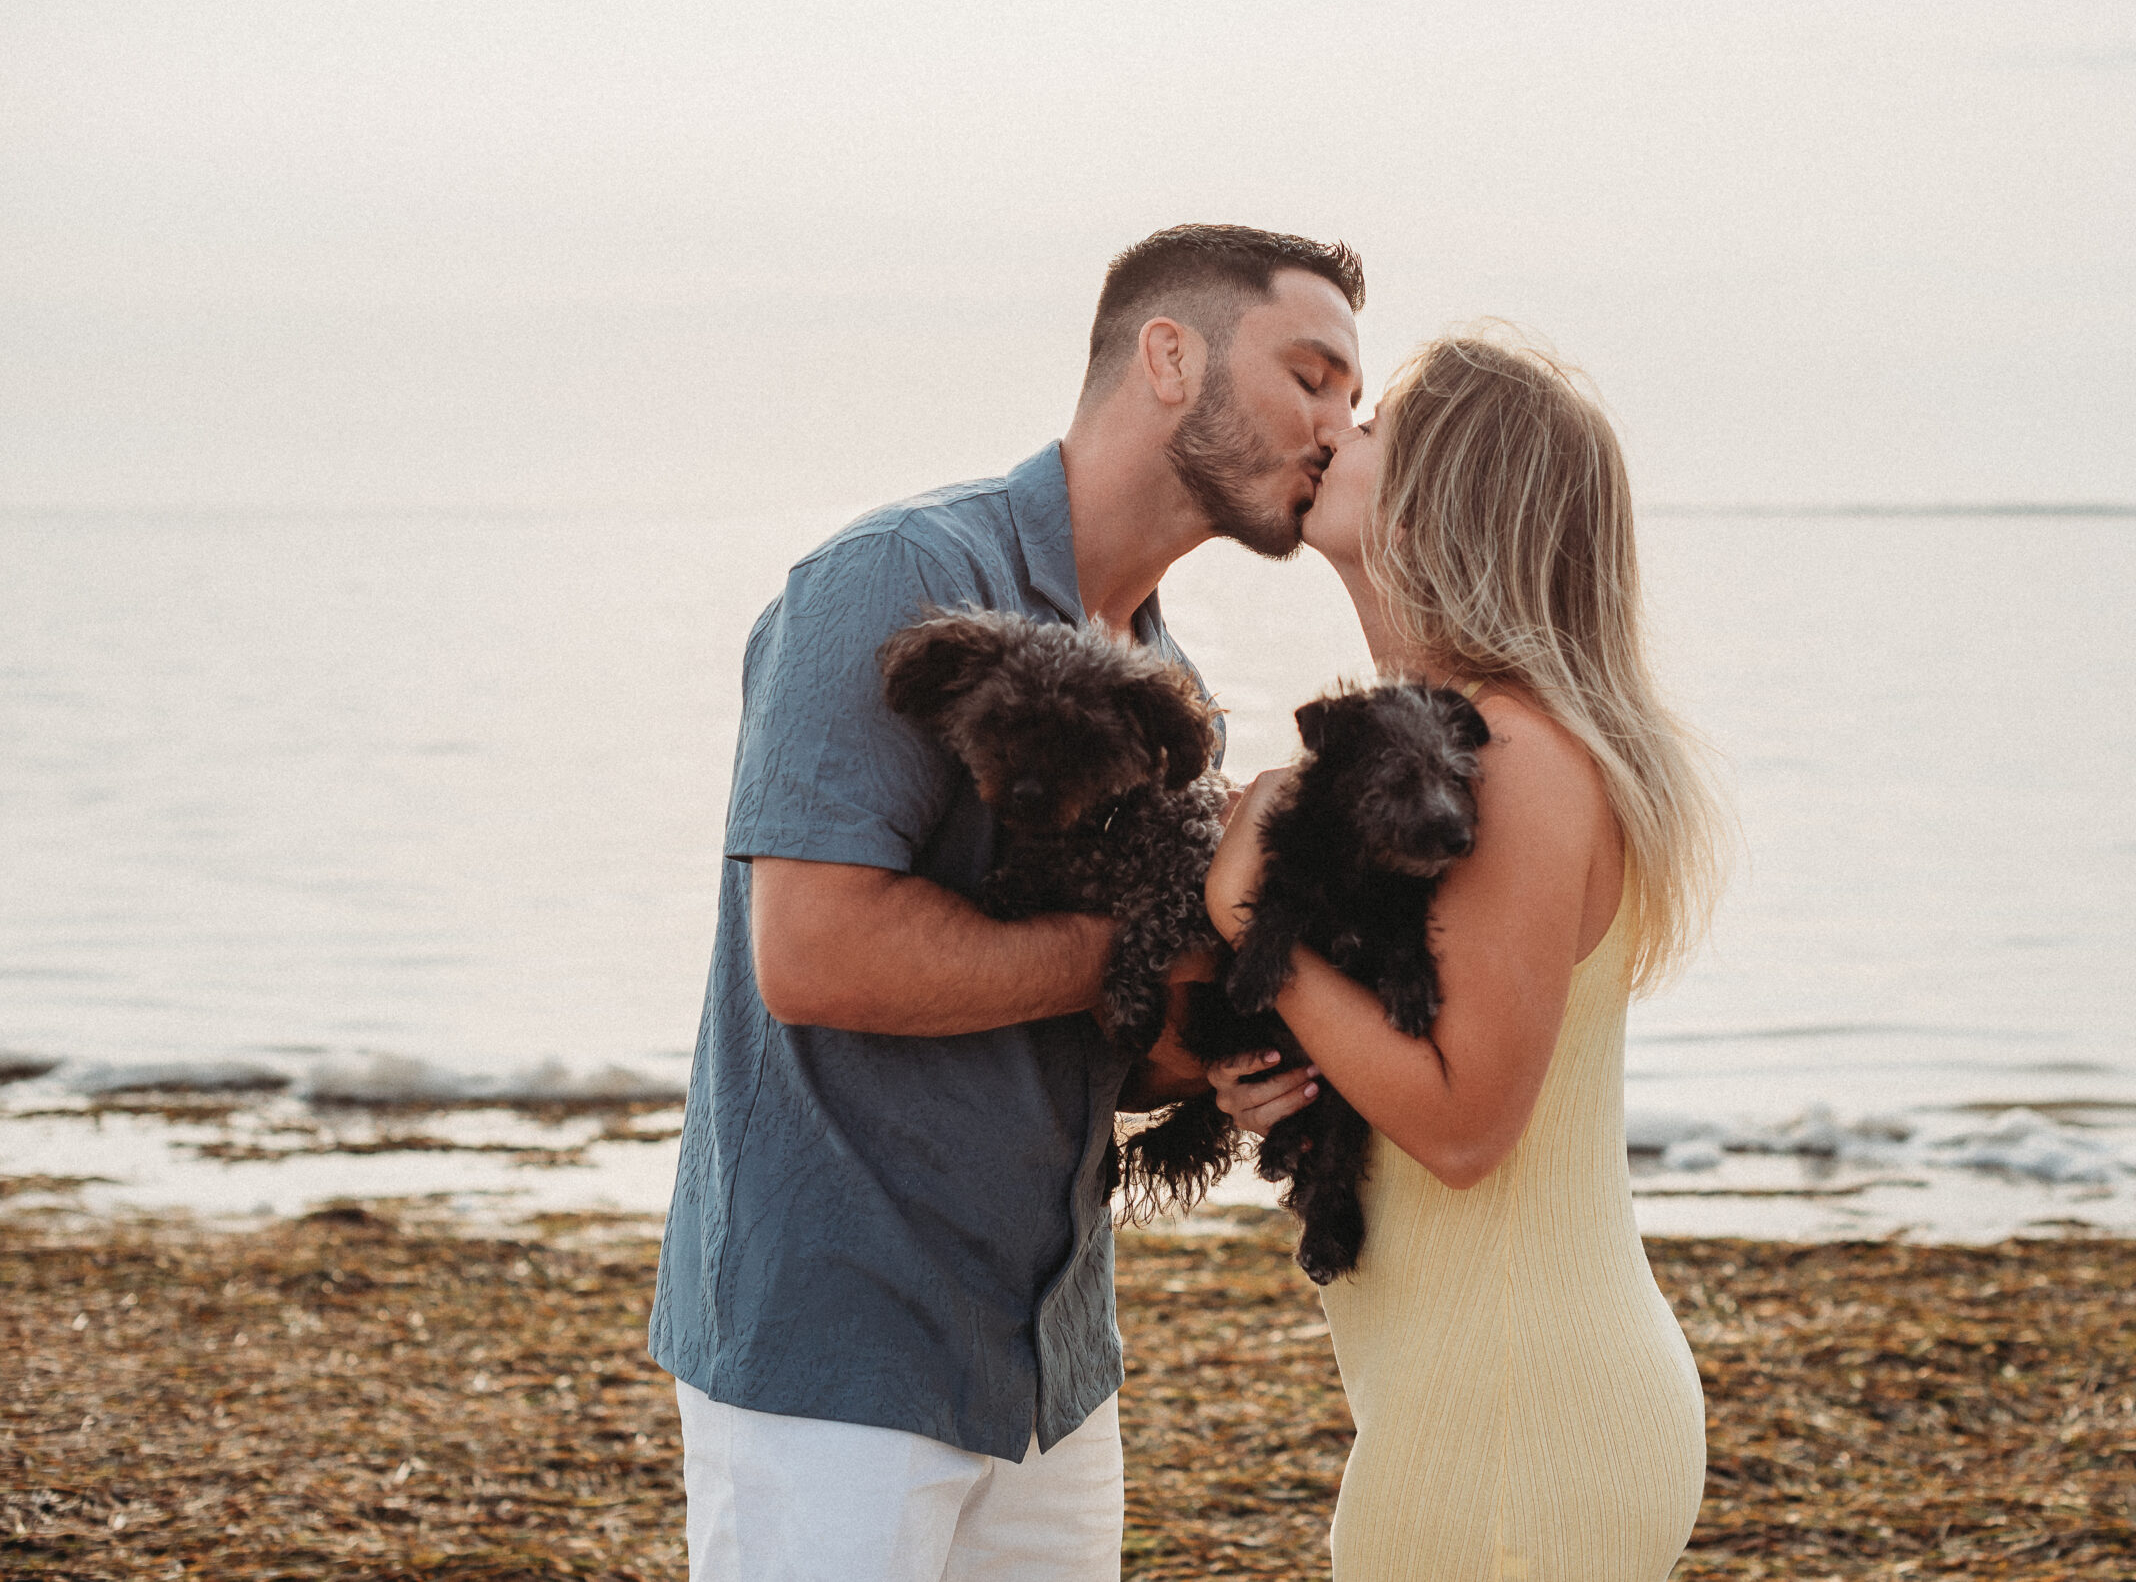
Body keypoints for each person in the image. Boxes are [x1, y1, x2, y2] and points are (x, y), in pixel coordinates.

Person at [650, 224, 1366, 1582]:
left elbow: (1104, 1056)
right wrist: (1138, 945)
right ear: (1170, 357)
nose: (1337, 424)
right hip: (835, 1356)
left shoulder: (1168, 681)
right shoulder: (893, 581)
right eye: (1311, 374)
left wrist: (1221, 1055)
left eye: (1350, 396)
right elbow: (811, 953)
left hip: (1049, 1365)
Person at [1203, 334, 1725, 1581]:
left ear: (1449, 494)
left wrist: (1249, 924)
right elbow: (1428, 1064)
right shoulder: (1470, 746)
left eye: (1373, 421)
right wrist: (1287, 1072)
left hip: (1513, 1433)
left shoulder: (1513, 754)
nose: (1335, 434)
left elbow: (1462, 1123)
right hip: (1489, 1403)